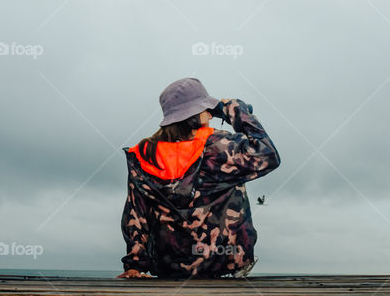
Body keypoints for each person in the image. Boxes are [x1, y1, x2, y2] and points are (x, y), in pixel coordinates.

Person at [118, 78, 280, 279]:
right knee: (234, 177)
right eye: (207, 108)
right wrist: (235, 110)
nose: (211, 115)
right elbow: (268, 155)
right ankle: (235, 265)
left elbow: (135, 214)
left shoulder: (145, 153)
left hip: (167, 266)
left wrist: (134, 266)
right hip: (222, 262)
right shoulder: (219, 146)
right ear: (197, 113)